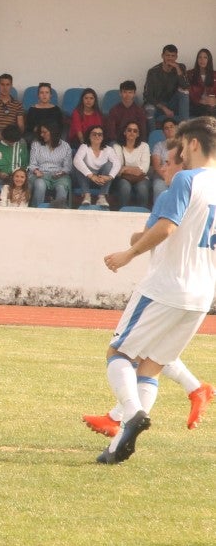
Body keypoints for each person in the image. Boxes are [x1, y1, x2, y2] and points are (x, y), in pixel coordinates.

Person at [95, 117, 216, 464]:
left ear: (192, 144)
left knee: (118, 353)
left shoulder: (186, 179)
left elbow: (165, 227)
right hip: (201, 296)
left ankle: (131, 412)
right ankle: (117, 447)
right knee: (152, 366)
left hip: (166, 287)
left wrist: (128, 254)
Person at [143, 44, 188, 129]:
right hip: (157, 104)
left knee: (184, 92)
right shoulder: (153, 72)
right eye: (167, 55)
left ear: (176, 57)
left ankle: (184, 126)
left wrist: (177, 68)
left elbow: (185, 87)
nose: (170, 58)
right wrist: (164, 108)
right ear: (162, 56)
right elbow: (148, 95)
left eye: (173, 56)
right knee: (149, 108)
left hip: (172, 103)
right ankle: (154, 136)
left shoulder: (180, 67)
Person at [28, 123, 73, 208]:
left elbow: (68, 166)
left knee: (61, 188)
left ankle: (59, 213)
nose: (42, 135)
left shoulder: (65, 146)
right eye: (41, 132)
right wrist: (36, 171)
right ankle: (36, 211)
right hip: (41, 174)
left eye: (44, 132)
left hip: (59, 175)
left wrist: (62, 173)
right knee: (39, 185)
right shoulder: (36, 144)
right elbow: (32, 164)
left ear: (53, 132)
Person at [72, 126, 118, 207]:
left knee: (110, 164)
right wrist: (91, 176)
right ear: (89, 136)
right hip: (86, 179)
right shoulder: (84, 146)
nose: (97, 136)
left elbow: (117, 163)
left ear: (103, 137)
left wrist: (109, 177)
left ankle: (102, 196)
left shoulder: (108, 149)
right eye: (94, 134)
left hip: (102, 180)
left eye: (100, 134)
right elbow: (77, 160)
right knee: (78, 164)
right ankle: (86, 195)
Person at [112, 120, 151, 208]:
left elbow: (144, 169)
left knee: (143, 189)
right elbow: (117, 169)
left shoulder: (144, 146)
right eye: (129, 130)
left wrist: (125, 168)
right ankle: (122, 213)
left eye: (135, 131)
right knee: (125, 188)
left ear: (138, 134)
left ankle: (142, 216)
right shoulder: (117, 146)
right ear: (124, 132)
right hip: (122, 178)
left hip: (141, 178)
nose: (132, 133)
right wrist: (135, 170)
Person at [0, 124, 28, 198]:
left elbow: (25, 165)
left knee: (29, 185)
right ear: (4, 138)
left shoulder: (21, 146)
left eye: (14, 142)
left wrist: (17, 175)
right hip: (0, 177)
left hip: (18, 177)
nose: (12, 144)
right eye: (10, 142)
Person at [104, 80, 147, 145]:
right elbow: (111, 133)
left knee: (144, 145)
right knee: (113, 144)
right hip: (118, 142)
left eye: (130, 92)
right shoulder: (114, 110)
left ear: (134, 94)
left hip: (134, 141)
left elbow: (142, 132)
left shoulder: (140, 111)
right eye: (124, 92)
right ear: (120, 93)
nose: (127, 95)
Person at [150, 117, 178, 199]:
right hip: (162, 176)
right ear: (163, 132)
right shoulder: (158, 146)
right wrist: (167, 177)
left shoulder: (184, 145)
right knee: (159, 188)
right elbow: (157, 166)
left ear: (176, 128)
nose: (169, 129)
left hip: (179, 176)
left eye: (171, 126)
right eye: (166, 128)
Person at [189, 48, 216, 117]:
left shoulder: (214, 74)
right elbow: (188, 91)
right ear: (197, 60)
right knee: (208, 109)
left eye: (205, 57)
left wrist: (214, 100)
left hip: (212, 104)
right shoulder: (190, 74)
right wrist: (200, 100)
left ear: (209, 60)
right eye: (200, 57)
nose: (202, 60)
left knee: (211, 108)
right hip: (196, 104)